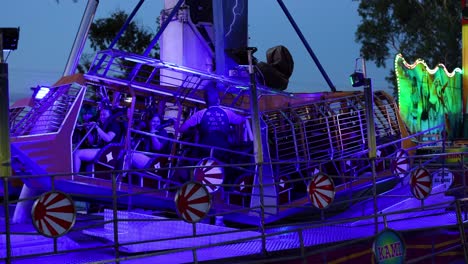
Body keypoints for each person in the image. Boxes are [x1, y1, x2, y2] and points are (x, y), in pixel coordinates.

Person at [179, 81, 246, 161]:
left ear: (205, 101)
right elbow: (242, 120)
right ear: (218, 100)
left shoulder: (200, 114)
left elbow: (182, 129)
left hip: (205, 151)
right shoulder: (228, 113)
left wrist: (193, 131)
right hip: (223, 151)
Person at [73, 107, 122, 173]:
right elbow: (91, 142)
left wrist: (97, 127)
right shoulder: (102, 125)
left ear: (110, 115)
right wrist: (87, 129)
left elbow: (108, 138)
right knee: (74, 151)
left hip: (108, 153)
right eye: (101, 115)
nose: (102, 116)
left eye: (104, 114)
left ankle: (74, 176)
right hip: (101, 150)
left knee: (77, 154)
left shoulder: (114, 125)